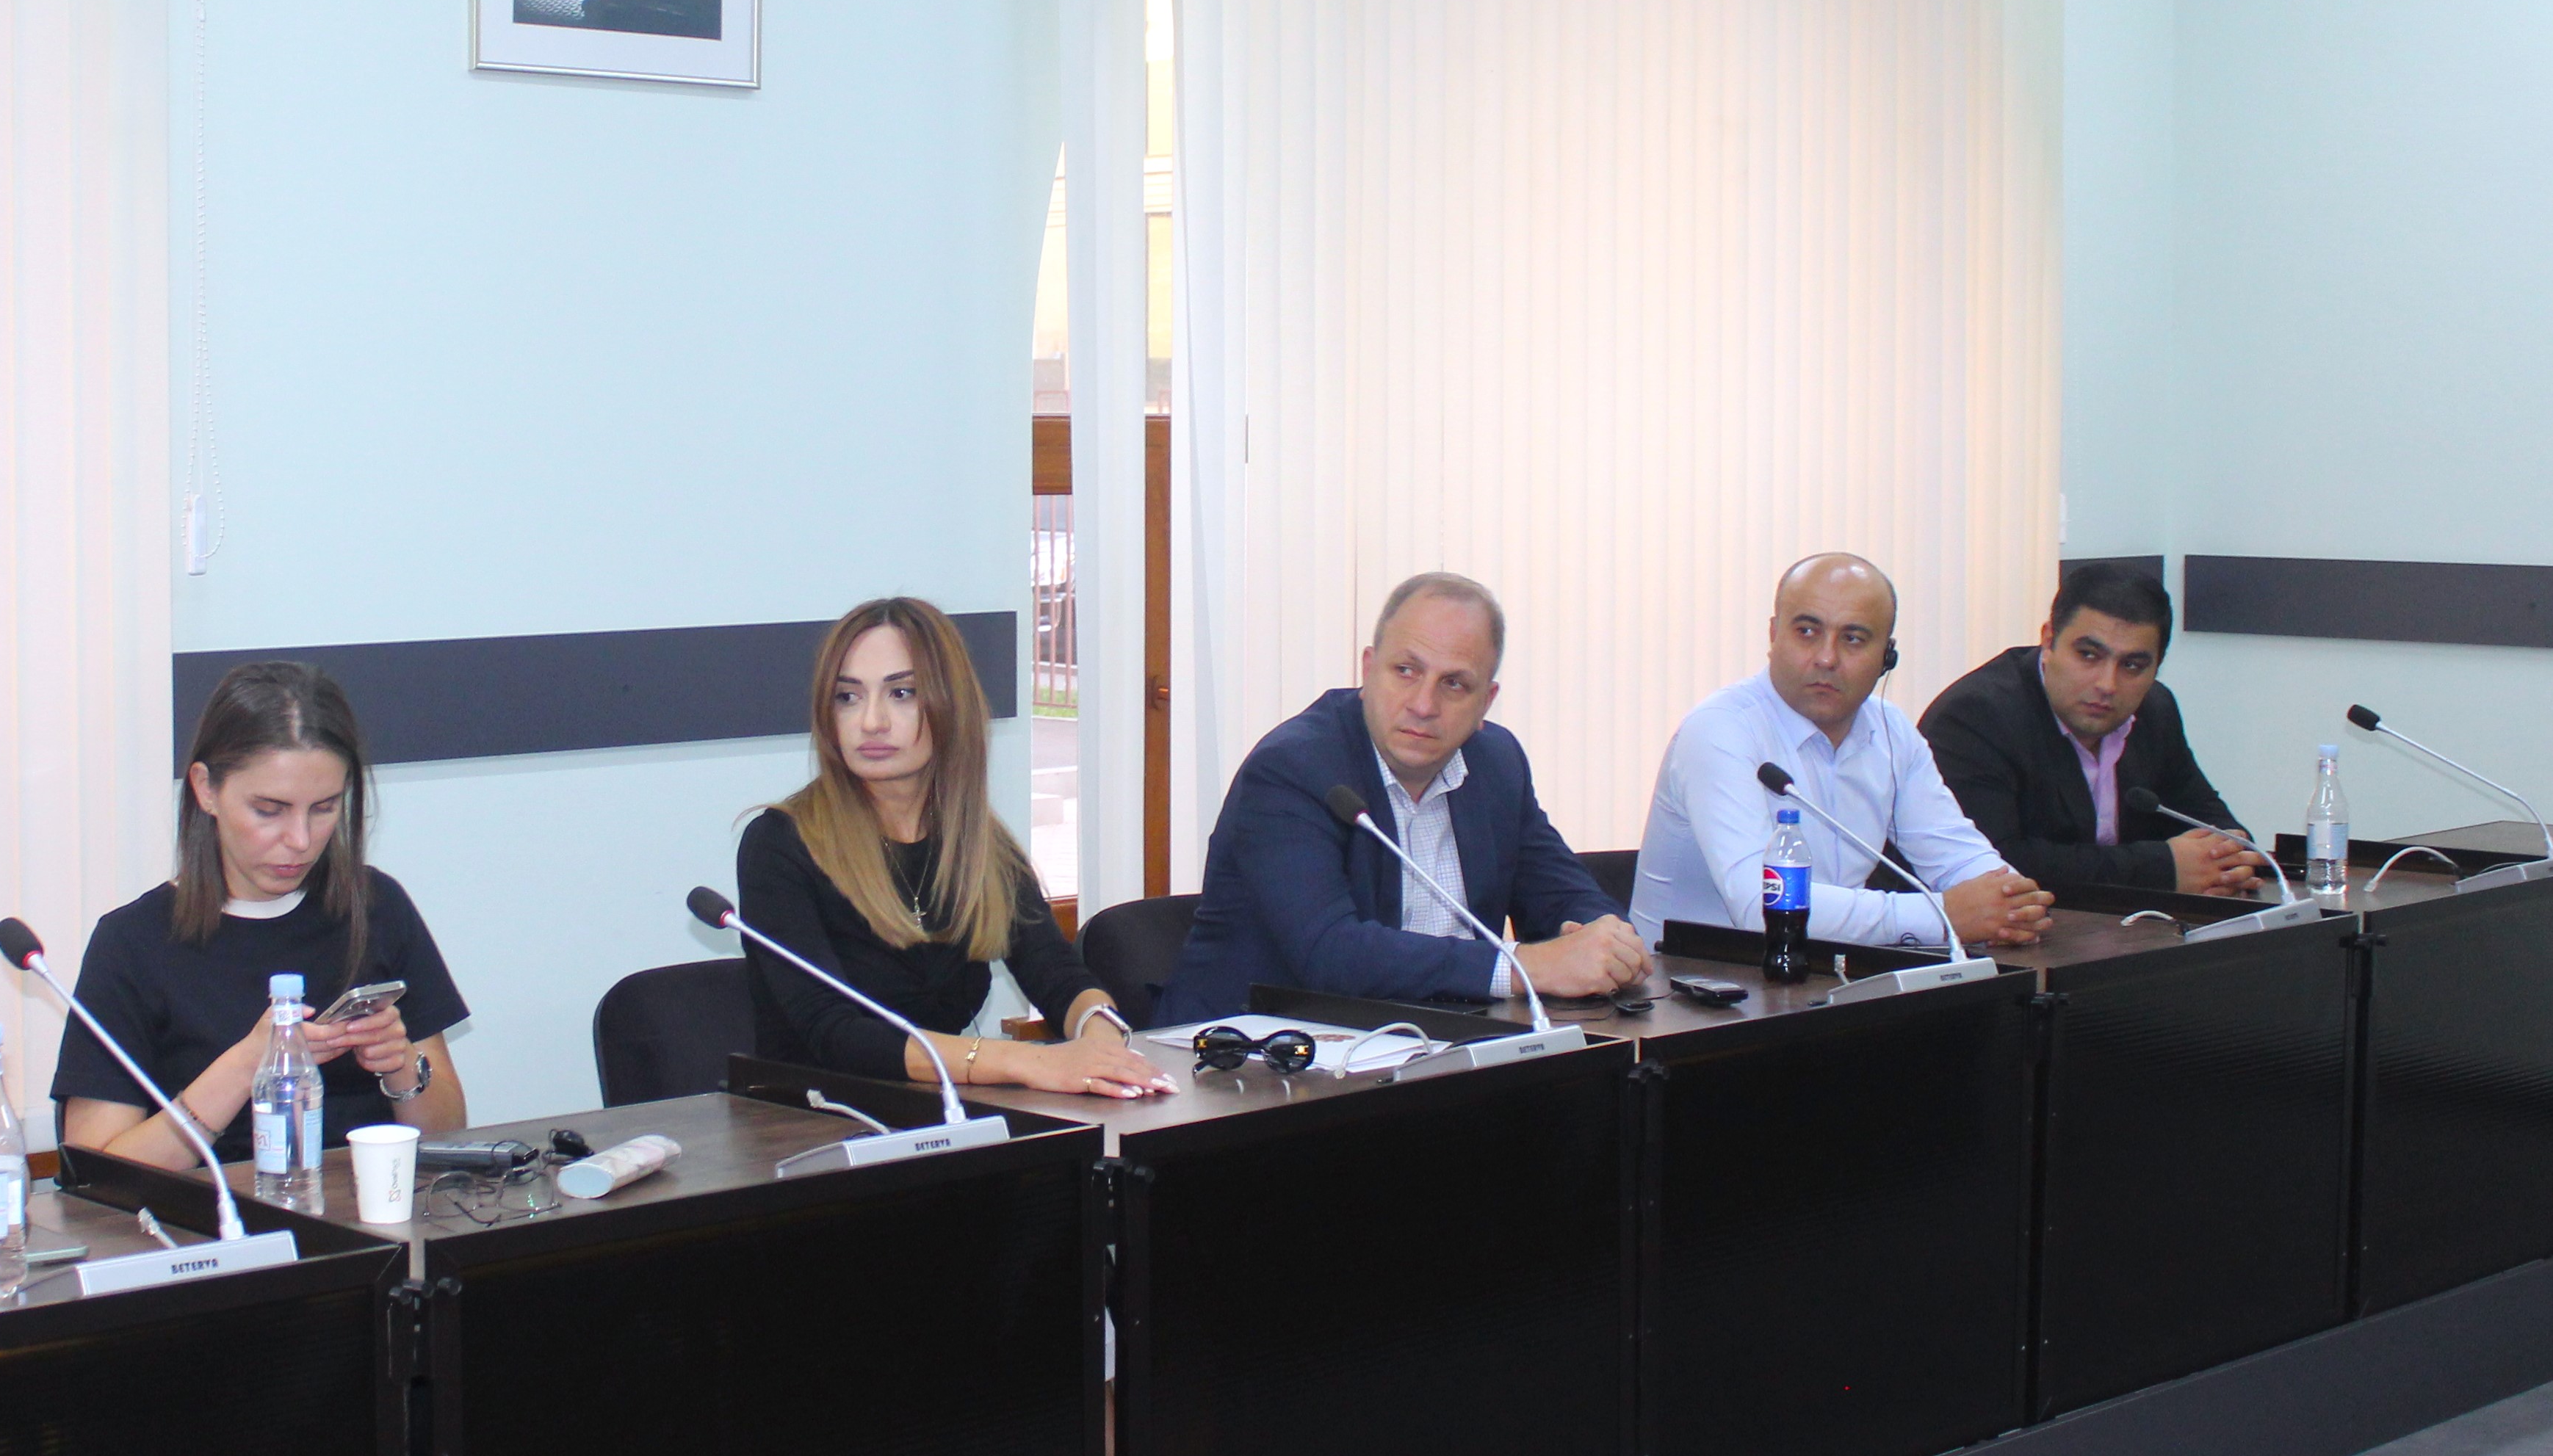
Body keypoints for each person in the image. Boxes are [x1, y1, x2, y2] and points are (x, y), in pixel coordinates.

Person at [1157, 573, 1644, 1024]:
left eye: (1454, 683)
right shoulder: (1292, 769)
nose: (1424, 705)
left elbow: (1562, 894)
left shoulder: (1496, 764)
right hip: (1254, 1056)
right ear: (1369, 670)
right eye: (1406, 670)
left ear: (1486, 702)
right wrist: (1524, 967)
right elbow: (1331, 953)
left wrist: (1605, 941)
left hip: (1433, 1045)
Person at [737, 598, 1172, 1098]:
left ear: (949, 704)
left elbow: (1053, 970)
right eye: (848, 697)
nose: (871, 721)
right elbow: (837, 1033)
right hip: (815, 1120)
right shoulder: (781, 844)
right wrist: (1024, 1060)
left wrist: (1100, 1036)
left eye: (901, 693)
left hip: (942, 1114)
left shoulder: (976, 841)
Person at [54, 662, 469, 1172]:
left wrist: (401, 1065)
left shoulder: (376, 905)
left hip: (370, 1207)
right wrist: (248, 1064)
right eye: (269, 810)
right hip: (210, 1216)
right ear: (206, 789)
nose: (301, 839)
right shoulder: (133, 942)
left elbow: (449, 1133)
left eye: (324, 808)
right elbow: (95, 1177)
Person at [1632, 554, 2055, 950]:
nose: (1827, 658)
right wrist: (1942, 916)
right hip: (1695, 985)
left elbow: (1953, 852)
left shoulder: (1889, 731)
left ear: (1887, 656)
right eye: (1807, 632)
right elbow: (1761, 905)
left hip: (1826, 975)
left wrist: (2010, 904)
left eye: (1853, 639)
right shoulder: (1720, 730)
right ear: (1774, 636)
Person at [1920, 562, 2267, 896]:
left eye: (2133, 665)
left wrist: (2230, 859)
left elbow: (2209, 822)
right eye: (2088, 655)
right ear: (2049, 641)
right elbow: (1995, 866)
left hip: (2121, 926)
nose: (2107, 684)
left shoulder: (2155, 709)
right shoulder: (1974, 717)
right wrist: (2162, 869)